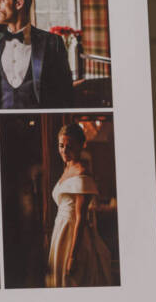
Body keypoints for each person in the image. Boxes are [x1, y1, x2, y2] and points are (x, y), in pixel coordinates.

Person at [0, 0, 74, 109]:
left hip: (40, 125)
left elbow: (64, 91)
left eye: (1, 0)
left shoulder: (52, 42)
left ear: (19, 4)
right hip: (0, 124)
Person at [45, 123, 114, 287]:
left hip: (73, 234)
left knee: (72, 281)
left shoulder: (81, 171)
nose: (64, 151)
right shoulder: (67, 168)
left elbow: (80, 218)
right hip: (60, 228)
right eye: (61, 146)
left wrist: (72, 256)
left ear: (80, 145)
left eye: (69, 146)